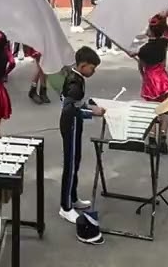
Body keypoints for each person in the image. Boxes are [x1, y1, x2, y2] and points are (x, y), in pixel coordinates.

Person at [59, 46, 105, 224]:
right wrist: (91, 113)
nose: (93, 72)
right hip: (70, 125)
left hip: (74, 125)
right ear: (83, 65)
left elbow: (77, 103)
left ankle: (73, 196)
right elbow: (70, 109)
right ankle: (65, 206)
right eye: (92, 68)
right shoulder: (75, 83)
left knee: (75, 161)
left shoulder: (76, 77)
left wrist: (90, 106)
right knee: (70, 166)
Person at [137, 14, 168, 154]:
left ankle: (152, 141)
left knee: (152, 111)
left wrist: (144, 75)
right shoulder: (164, 44)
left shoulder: (143, 50)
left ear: (151, 31)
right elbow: (164, 63)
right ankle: (163, 140)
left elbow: (141, 67)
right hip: (163, 79)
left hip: (151, 81)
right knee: (164, 112)